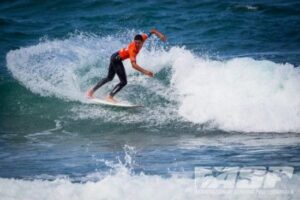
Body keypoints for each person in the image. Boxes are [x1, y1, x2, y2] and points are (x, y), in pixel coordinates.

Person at [86, 29, 167, 102]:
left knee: (109, 78)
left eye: (139, 43)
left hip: (114, 56)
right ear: (134, 41)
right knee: (123, 82)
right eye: (136, 43)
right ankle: (109, 97)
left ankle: (90, 92)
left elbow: (152, 31)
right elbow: (134, 65)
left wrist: (160, 35)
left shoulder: (143, 37)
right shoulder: (133, 50)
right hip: (116, 59)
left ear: (142, 41)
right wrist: (145, 72)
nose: (137, 44)